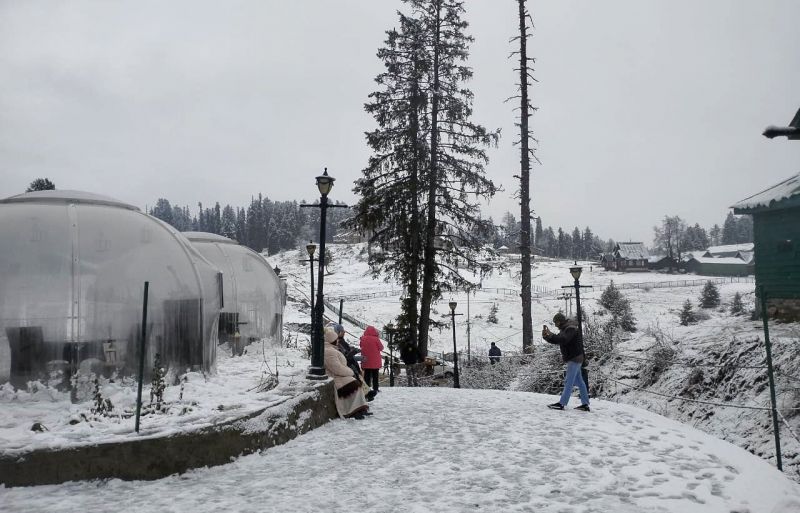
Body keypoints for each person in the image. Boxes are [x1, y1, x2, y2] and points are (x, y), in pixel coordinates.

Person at [542, 312, 590, 412]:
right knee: (580, 382)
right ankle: (585, 404)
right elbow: (558, 340)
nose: (555, 325)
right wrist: (547, 337)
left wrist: (550, 335)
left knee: (569, 381)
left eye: (556, 322)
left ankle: (562, 403)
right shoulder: (566, 329)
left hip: (574, 357)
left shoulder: (570, 328)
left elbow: (563, 339)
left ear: (560, 321)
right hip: (576, 357)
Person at [323, 327, 370, 419]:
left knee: (355, 381)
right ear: (332, 340)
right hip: (335, 377)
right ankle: (353, 410)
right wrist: (350, 372)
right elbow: (337, 368)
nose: (338, 341)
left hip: (338, 376)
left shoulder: (331, 349)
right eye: (336, 339)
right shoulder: (329, 352)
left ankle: (359, 409)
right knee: (354, 383)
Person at [359, 325, 384, 400]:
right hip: (375, 361)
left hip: (366, 360)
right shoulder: (376, 339)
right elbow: (381, 348)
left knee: (367, 375)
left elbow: (360, 346)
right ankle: (375, 388)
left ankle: (367, 389)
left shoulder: (363, 338)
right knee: (375, 375)